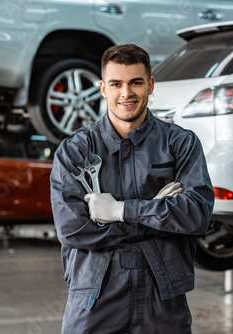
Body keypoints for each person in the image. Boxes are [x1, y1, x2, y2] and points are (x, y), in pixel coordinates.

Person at [50, 44, 215, 333]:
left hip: (163, 296)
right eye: (116, 84)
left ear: (150, 85)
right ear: (103, 88)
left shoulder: (180, 144)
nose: (126, 93)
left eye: (136, 82)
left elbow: (197, 215)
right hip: (95, 296)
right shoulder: (76, 151)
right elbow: (72, 230)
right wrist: (159, 215)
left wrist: (121, 211)